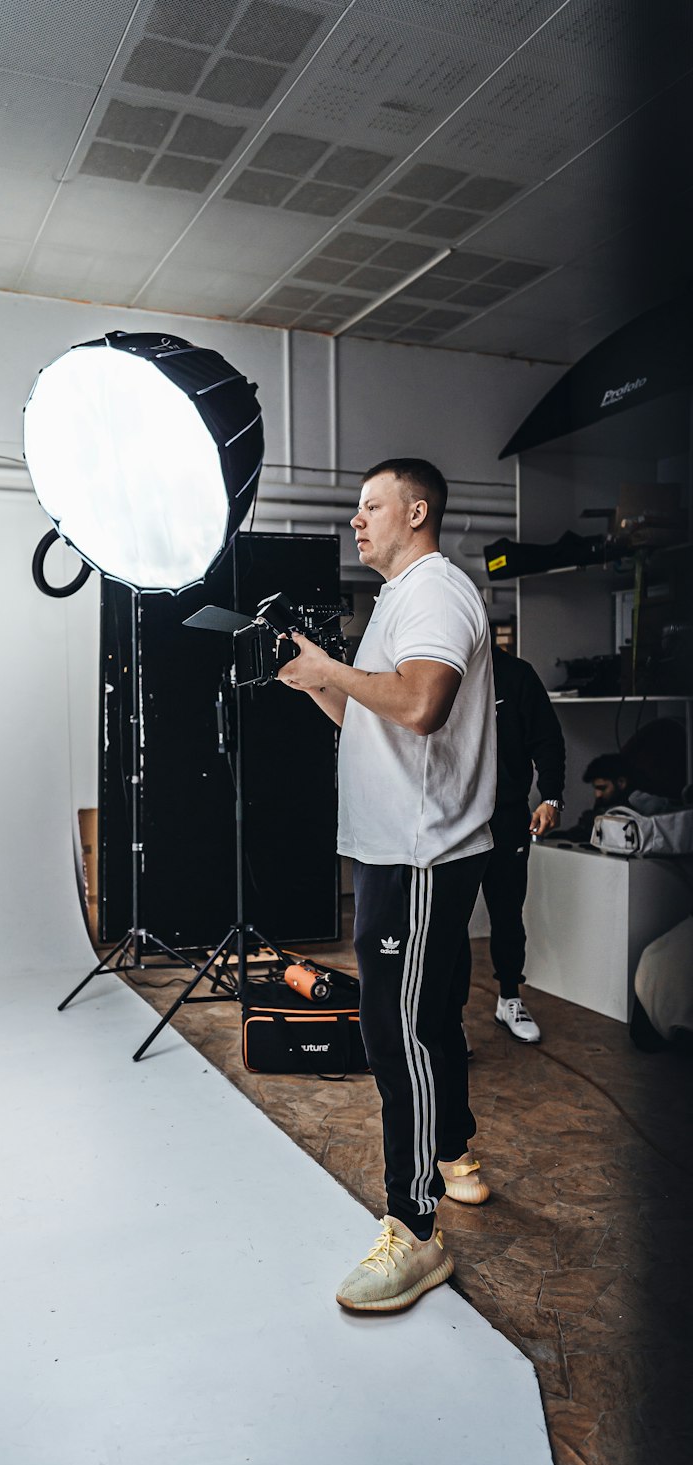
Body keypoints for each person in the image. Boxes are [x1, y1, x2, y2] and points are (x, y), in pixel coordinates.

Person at [277, 457, 495, 1313]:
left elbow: (421, 706)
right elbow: (379, 723)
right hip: (396, 851)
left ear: (418, 508)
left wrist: (332, 669)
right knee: (429, 1020)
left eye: (372, 506)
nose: (357, 521)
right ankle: (453, 1151)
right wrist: (318, 684)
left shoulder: (435, 591)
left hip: (418, 854)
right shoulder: (398, 604)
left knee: (393, 1033)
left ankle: (414, 1229)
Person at [482, 646, 566, 1045]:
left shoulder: (516, 674)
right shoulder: (438, 668)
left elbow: (547, 740)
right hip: (450, 820)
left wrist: (551, 797)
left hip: (507, 816)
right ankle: (450, 1017)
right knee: (447, 923)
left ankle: (509, 999)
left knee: (507, 914)